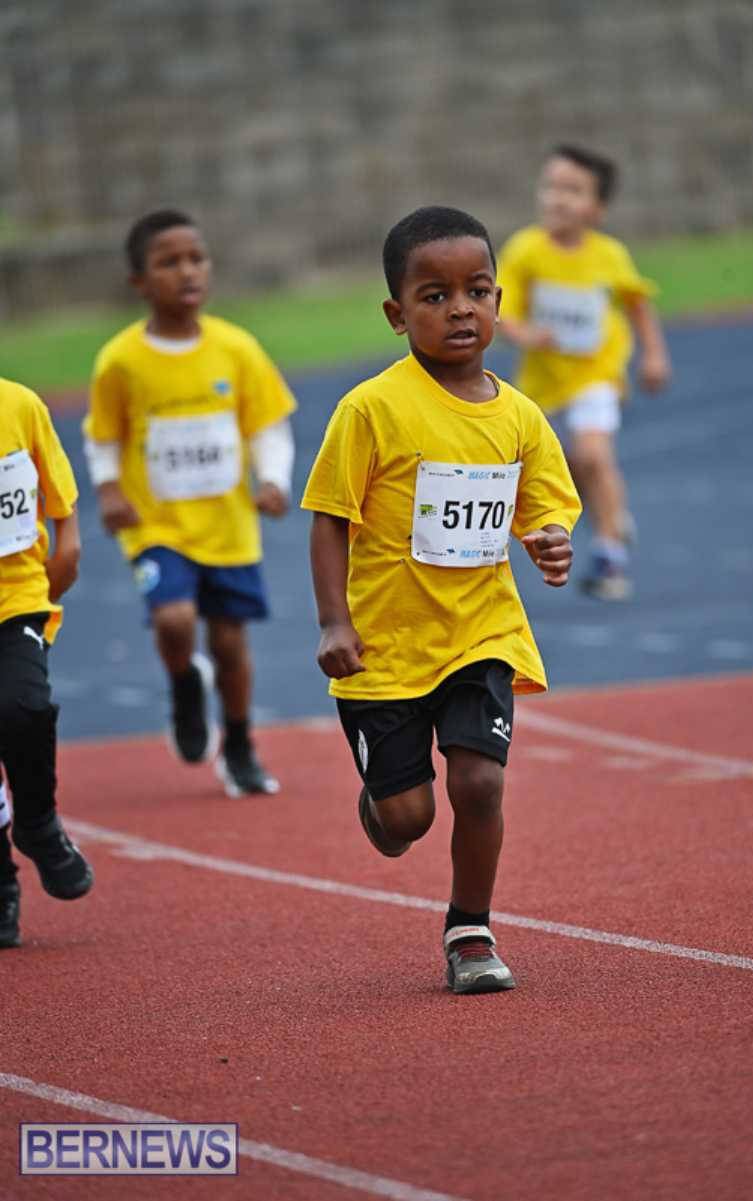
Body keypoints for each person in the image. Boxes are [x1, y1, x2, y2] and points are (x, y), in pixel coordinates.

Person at [301, 206, 581, 994]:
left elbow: (546, 507)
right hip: (385, 648)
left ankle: (470, 929)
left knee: (480, 783)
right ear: (397, 315)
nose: (460, 309)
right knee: (408, 819)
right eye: (435, 296)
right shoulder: (370, 409)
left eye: (477, 291)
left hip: (481, 632)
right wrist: (333, 621)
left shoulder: (520, 416)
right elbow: (329, 519)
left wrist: (551, 539)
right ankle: (382, 803)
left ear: (499, 302)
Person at [84, 209, 296, 797]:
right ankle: (183, 682)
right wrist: (108, 489)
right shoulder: (121, 360)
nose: (187, 272)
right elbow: (104, 436)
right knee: (174, 620)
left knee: (229, 642)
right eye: (169, 262)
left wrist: (273, 480)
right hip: (156, 526)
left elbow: (267, 426)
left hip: (228, 527)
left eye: (196, 259)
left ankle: (240, 744)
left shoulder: (237, 349)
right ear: (139, 281)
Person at [497, 144, 671, 599]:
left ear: (597, 209)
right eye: (551, 186)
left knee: (593, 454)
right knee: (567, 466)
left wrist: (654, 355)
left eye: (573, 190)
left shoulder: (609, 255)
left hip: (597, 373)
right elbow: (501, 309)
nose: (558, 198)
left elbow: (637, 304)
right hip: (543, 382)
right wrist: (523, 333)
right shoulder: (525, 250)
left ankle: (610, 555)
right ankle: (610, 513)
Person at [0, 379, 93, 949]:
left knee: (23, 707)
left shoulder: (18, 405)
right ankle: (2, 885)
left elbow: (62, 505)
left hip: (15, 598)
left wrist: (69, 550)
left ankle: (37, 822)